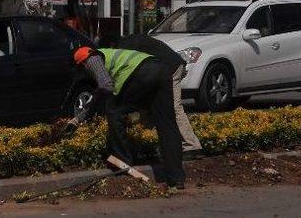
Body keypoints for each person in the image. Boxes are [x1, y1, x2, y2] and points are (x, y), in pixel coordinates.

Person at [72, 46, 185, 189]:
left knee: (113, 110)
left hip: (141, 73)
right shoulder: (110, 53)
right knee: (167, 124)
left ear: (82, 64)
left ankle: (122, 162)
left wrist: (93, 106)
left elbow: (105, 85)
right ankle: (176, 178)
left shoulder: (92, 58)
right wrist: (80, 117)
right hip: (162, 70)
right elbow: (103, 89)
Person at [118, 34, 204, 159]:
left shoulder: (125, 47)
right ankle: (150, 144)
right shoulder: (133, 40)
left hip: (169, 69)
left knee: (174, 108)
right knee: (147, 106)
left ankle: (192, 146)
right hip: (170, 66)